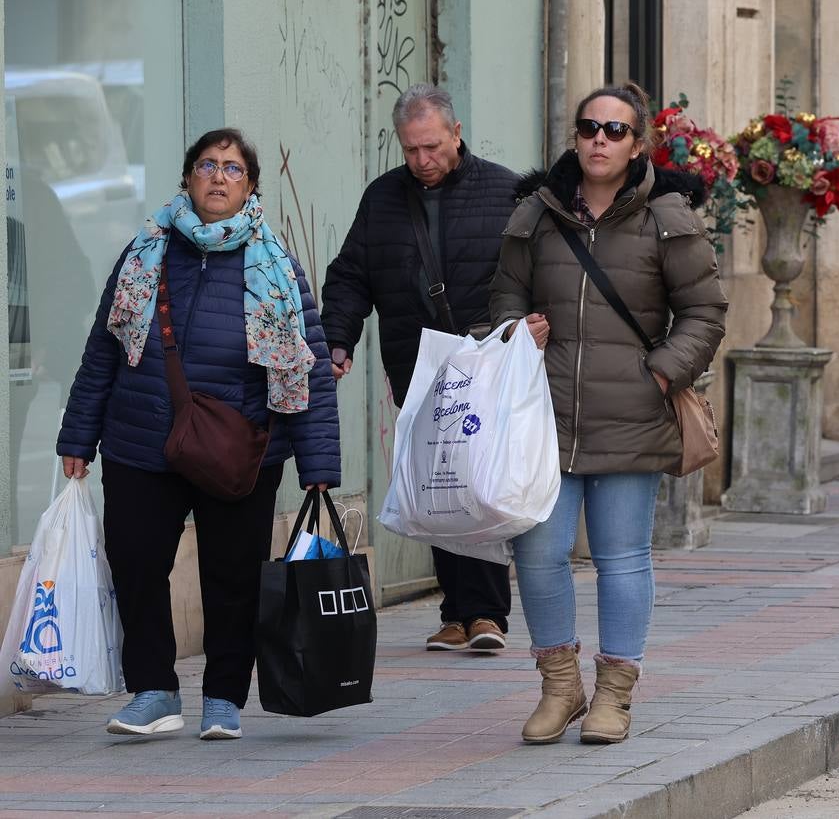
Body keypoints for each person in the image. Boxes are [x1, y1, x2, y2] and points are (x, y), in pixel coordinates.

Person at [56, 128, 340, 740]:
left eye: (233, 169)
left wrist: (319, 465)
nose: (218, 177)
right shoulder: (145, 252)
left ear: (251, 187)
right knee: (135, 563)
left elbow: (307, 366)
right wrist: (78, 437)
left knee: (231, 575)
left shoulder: (278, 265)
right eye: (207, 165)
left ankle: (224, 698)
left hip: (240, 447)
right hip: (142, 440)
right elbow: (103, 349)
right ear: (187, 178)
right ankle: (154, 690)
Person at [491, 82, 726, 745]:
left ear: (637, 144)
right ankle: (560, 690)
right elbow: (503, 294)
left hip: (632, 413)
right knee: (538, 553)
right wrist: (515, 332)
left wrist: (660, 371)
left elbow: (705, 312)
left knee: (622, 558)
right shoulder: (534, 216)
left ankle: (614, 696)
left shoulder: (667, 217)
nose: (599, 139)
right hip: (546, 415)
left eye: (615, 130)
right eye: (589, 127)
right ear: (575, 136)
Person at [320, 84, 517, 654]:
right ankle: (456, 612)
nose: (423, 160)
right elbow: (351, 274)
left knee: (475, 480)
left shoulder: (503, 191)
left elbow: (533, 274)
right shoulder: (383, 198)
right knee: (438, 483)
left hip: (483, 364)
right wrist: (339, 338)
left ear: (456, 134)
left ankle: (485, 613)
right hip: (417, 364)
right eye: (411, 150)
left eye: (432, 146)